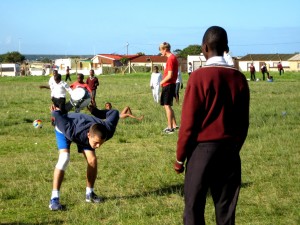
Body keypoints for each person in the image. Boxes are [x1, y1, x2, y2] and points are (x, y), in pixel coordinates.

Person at [174, 26, 250, 225]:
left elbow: (189, 124)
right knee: (226, 211)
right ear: (226, 47)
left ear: (204, 47)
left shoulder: (199, 77)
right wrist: (234, 148)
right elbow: (243, 123)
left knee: (193, 209)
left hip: (202, 151)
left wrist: (180, 158)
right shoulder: (239, 78)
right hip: (231, 151)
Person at [49, 104, 119, 211]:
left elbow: (114, 113)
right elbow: (58, 119)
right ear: (88, 136)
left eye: (101, 143)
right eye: (96, 143)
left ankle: (89, 194)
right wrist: (55, 113)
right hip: (65, 126)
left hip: (86, 130)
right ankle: (54, 200)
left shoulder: (108, 130)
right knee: (64, 158)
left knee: (93, 160)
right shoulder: (71, 130)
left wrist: (96, 111)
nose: (98, 146)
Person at [159, 42, 178, 134]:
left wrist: (161, 82)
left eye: (161, 50)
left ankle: (170, 128)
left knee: (166, 106)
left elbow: (170, 75)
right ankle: (174, 125)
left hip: (168, 84)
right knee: (168, 106)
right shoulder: (173, 57)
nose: (160, 52)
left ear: (165, 49)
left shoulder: (170, 59)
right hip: (170, 84)